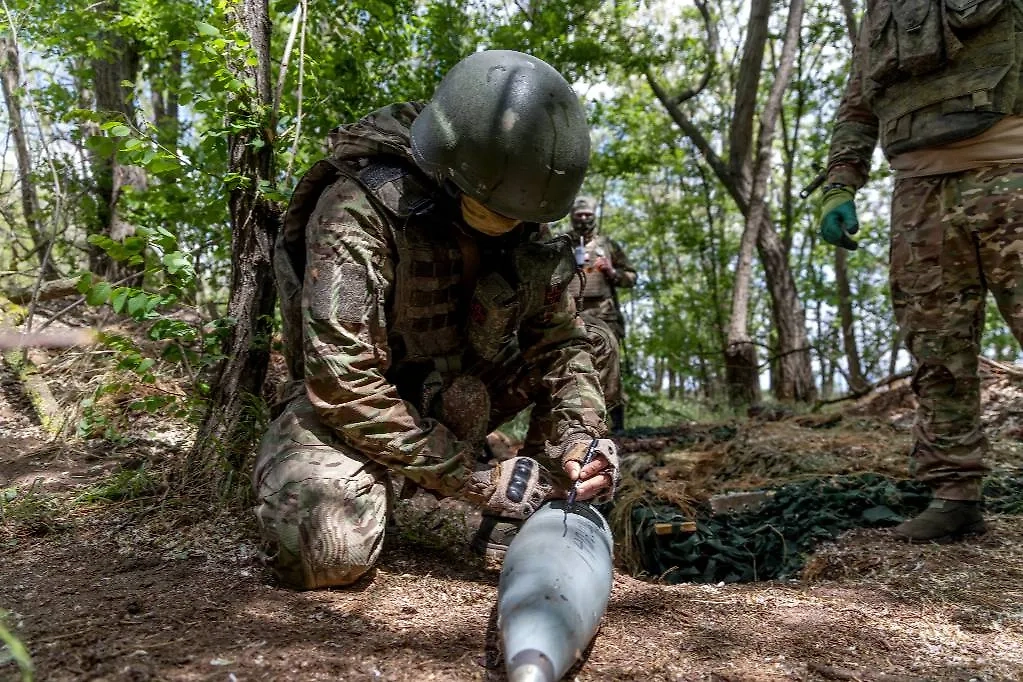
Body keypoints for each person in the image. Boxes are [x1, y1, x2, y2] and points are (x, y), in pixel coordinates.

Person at [254, 49, 622, 589]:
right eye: (498, 210)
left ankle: (533, 514)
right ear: (449, 169)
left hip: (462, 390)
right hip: (358, 409)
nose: (514, 224)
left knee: (598, 346)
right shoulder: (359, 209)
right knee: (322, 545)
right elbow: (341, 382)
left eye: (527, 215)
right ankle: (411, 485)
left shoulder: (525, 222)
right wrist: (476, 478)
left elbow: (562, 345)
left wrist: (583, 440)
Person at [817, 2, 1023, 542]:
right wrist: (841, 183)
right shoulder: (881, 8)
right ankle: (955, 495)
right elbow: (860, 98)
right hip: (918, 189)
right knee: (937, 350)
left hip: (1013, 171)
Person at [564, 195, 637, 431]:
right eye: (579, 215)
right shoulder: (561, 244)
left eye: (587, 215)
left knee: (610, 370)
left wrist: (611, 271)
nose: (583, 219)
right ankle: (577, 429)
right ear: (572, 216)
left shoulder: (607, 245)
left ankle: (616, 428)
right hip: (571, 315)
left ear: (594, 216)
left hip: (605, 316)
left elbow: (632, 278)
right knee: (572, 370)